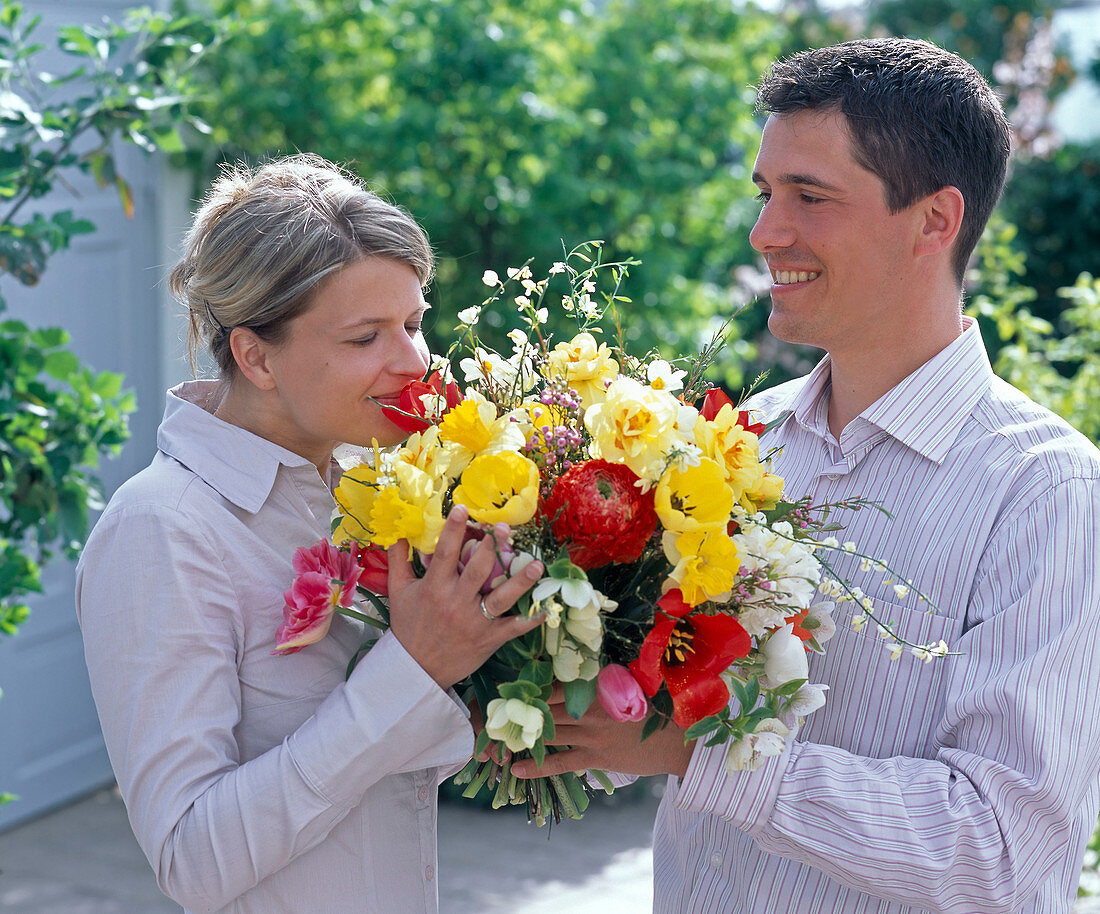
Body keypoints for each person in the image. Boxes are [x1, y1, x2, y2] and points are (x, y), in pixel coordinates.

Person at [513, 38, 1100, 913]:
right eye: (765, 194)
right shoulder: (734, 440)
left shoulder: (1048, 492)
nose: (764, 232)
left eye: (809, 197)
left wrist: (698, 749)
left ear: (936, 220)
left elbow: (998, 853)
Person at [75, 154, 544, 914]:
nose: (413, 361)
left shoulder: (374, 478)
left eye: (414, 324)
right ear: (256, 355)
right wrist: (413, 669)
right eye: (367, 337)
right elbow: (190, 859)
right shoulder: (161, 529)